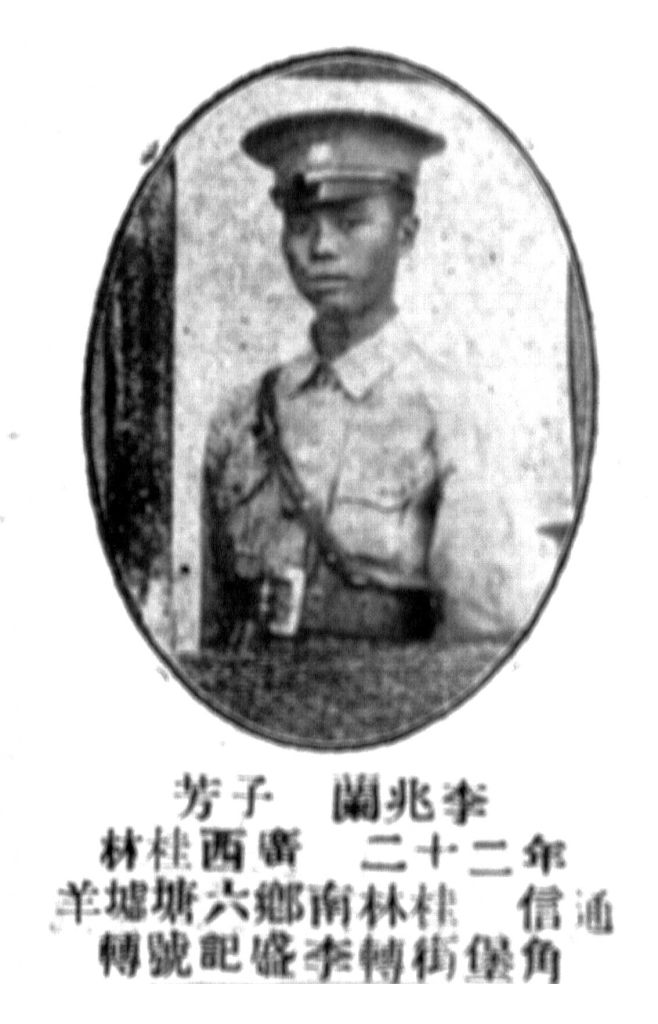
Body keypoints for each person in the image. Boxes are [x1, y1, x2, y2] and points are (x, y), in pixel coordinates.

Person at [200, 108, 554, 650]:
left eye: (350, 223)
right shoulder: (241, 416)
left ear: (405, 234)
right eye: (301, 224)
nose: (321, 247)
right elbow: (216, 620)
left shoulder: (453, 413)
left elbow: (480, 637)